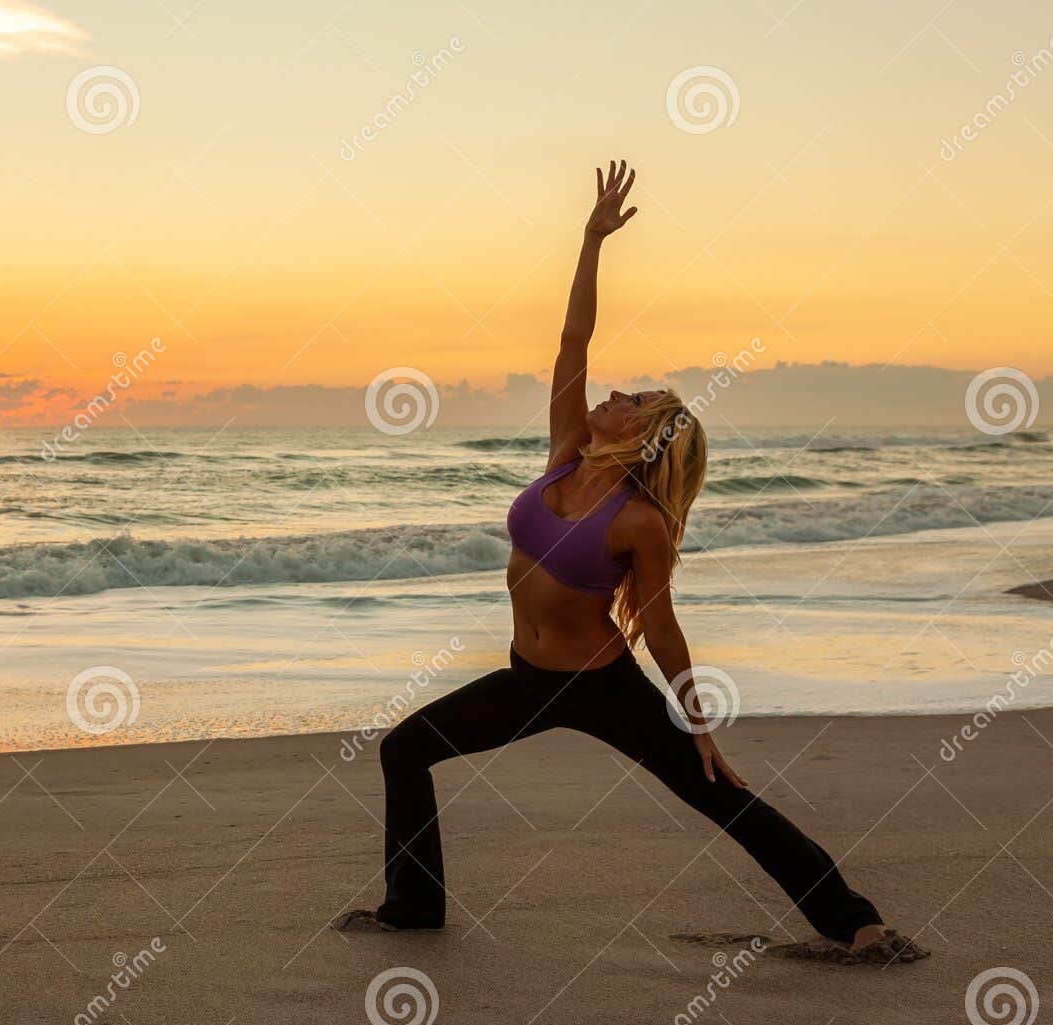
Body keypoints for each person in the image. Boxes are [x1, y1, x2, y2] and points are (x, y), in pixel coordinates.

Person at [336, 161, 925, 964]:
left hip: (605, 686)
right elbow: (573, 338)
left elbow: (660, 622)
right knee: (406, 748)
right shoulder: (565, 451)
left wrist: (696, 721)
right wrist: (591, 240)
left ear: (645, 434)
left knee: (718, 793)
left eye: (631, 399)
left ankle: (856, 920)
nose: (610, 394)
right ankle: (415, 908)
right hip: (525, 678)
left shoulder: (640, 521)